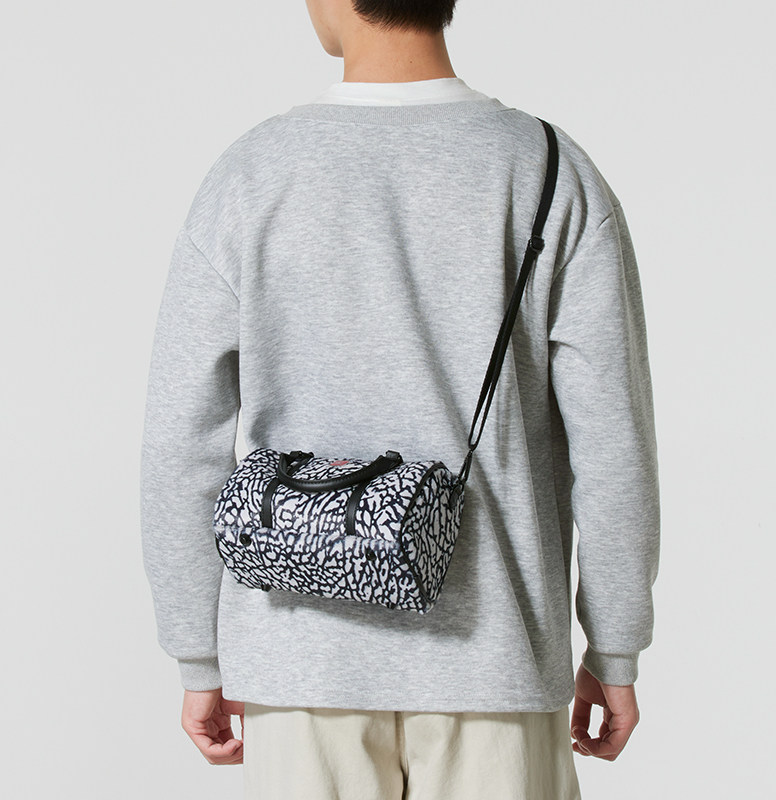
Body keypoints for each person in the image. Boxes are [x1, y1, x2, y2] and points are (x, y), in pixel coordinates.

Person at [139, 0, 660, 796]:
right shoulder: (549, 170)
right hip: (497, 661)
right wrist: (614, 648)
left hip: (300, 659)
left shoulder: (251, 172)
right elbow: (614, 442)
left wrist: (198, 654)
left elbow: (181, 439)